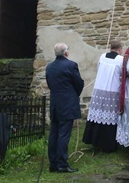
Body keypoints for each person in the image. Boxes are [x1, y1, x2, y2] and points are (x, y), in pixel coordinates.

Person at [45, 42, 84, 173]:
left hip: (55, 103)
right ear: (66, 53)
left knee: (54, 133)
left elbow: (50, 84)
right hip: (67, 103)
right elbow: (78, 83)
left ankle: (53, 163)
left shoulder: (50, 67)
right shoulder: (71, 65)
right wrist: (73, 95)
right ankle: (61, 163)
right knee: (64, 134)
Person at [82, 40, 124, 152]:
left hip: (99, 89)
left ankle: (94, 141)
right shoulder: (120, 59)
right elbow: (122, 74)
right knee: (109, 117)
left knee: (98, 115)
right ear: (120, 49)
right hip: (112, 90)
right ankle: (108, 144)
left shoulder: (102, 56)